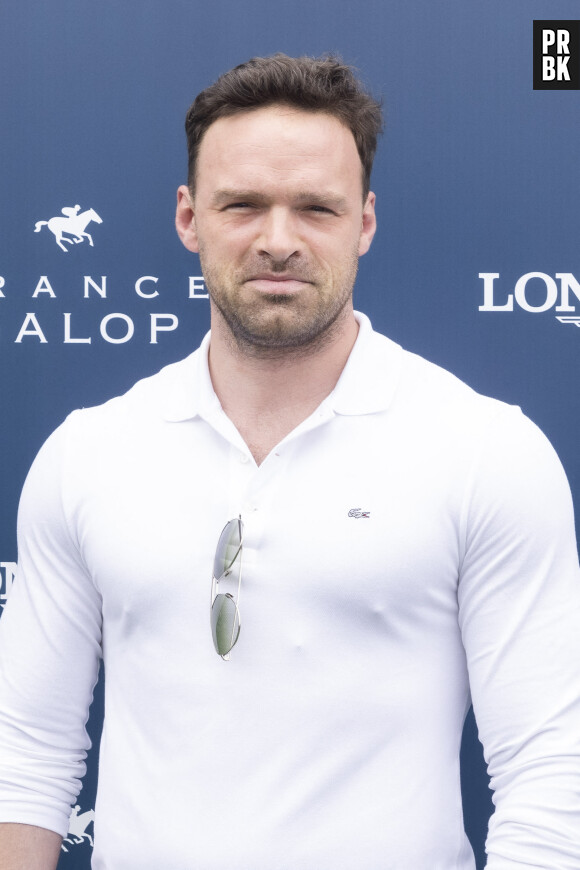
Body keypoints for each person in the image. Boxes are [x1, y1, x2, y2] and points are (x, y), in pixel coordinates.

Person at [0, 53, 579, 870]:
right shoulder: (88, 452)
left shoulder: (485, 450)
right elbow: (22, 756)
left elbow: (552, 774)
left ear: (365, 222)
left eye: (316, 208)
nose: (279, 241)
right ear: (188, 217)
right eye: (243, 205)